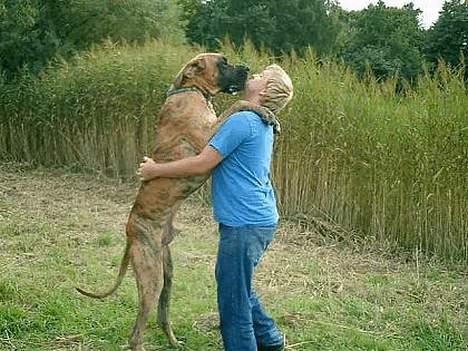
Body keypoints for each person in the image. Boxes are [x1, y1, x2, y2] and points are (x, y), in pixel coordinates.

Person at [137, 64, 293, 351]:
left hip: (244, 223)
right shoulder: (263, 121)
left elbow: (202, 162)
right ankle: (270, 340)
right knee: (238, 283)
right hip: (259, 219)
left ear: (266, 91)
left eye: (261, 77)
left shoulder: (242, 121)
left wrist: (156, 170)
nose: (253, 76)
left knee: (232, 299)